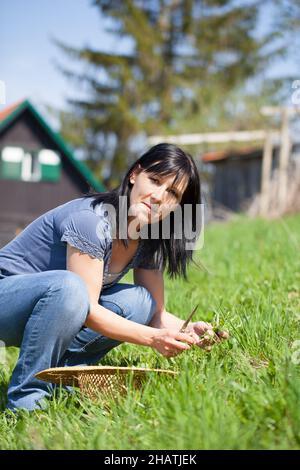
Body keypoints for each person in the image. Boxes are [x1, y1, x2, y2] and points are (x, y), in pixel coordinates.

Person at [0, 143, 227, 412]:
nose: (158, 197)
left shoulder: (148, 236)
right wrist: (153, 339)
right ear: (134, 174)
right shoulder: (91, 221)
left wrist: (185, 333)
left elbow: (156, 314)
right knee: (71, 288)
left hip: (53, 314)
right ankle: (27, 400)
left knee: (141, 301)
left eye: (172, 194)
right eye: (154, 181)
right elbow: (88, 309)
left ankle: (63, 376)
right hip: (8, 303)